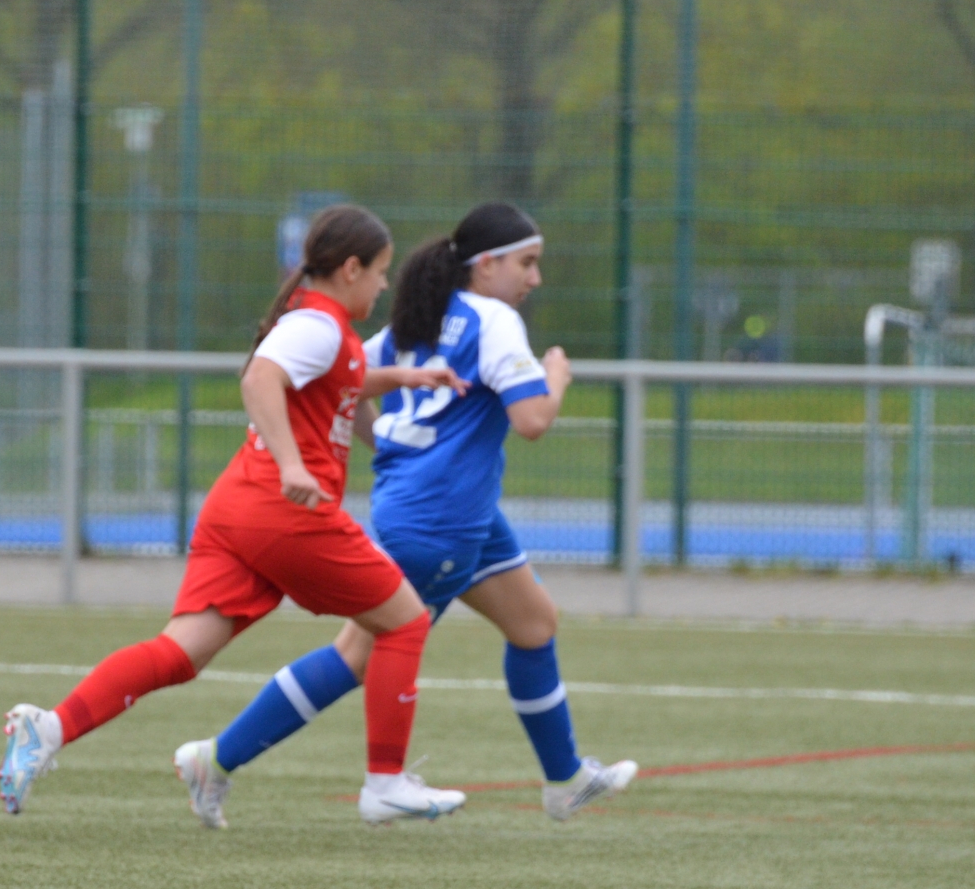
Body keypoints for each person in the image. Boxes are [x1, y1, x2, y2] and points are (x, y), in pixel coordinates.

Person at [0, 204, 472, 826]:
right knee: (405, 621)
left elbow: (341, 385)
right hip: (284, 512)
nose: (385, 285)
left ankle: (51, 727)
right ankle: (385, 783)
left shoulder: (325, 328)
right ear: (351, 269)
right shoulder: (319, 327)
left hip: (238, 509)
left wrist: (406, 377)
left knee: (181, 654)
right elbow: (258, 380)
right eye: (381, 272)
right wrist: (292, 465)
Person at [170, 203, 637, 828]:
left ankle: (564, 778)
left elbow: (346, 381)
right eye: (526, 263)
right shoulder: (494, 319)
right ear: (486, 265)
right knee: (358, 654)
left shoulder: (418, 317)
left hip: (456, 508)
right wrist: (556, 378)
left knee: (534, 624)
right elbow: (531, 420)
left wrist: (390, 444)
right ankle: (219, 759)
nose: (536, 278)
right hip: (441, 517)